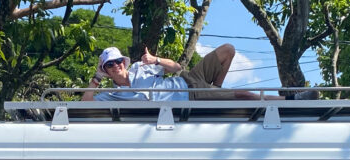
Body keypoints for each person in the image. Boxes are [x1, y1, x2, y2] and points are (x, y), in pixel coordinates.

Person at [83, 44, 318, 101]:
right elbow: (84, 104)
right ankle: (291, 100)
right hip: (190, 96)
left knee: (228, 50)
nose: (116, 66)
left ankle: (216, 91)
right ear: (106, 71)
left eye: (118, 61)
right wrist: (95, 80)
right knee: (244, 95)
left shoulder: (140, 67)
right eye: (110, 65)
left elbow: (177, 68)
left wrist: (156, 60)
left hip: (188, 79)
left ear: (124, 62)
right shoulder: (113, 95)